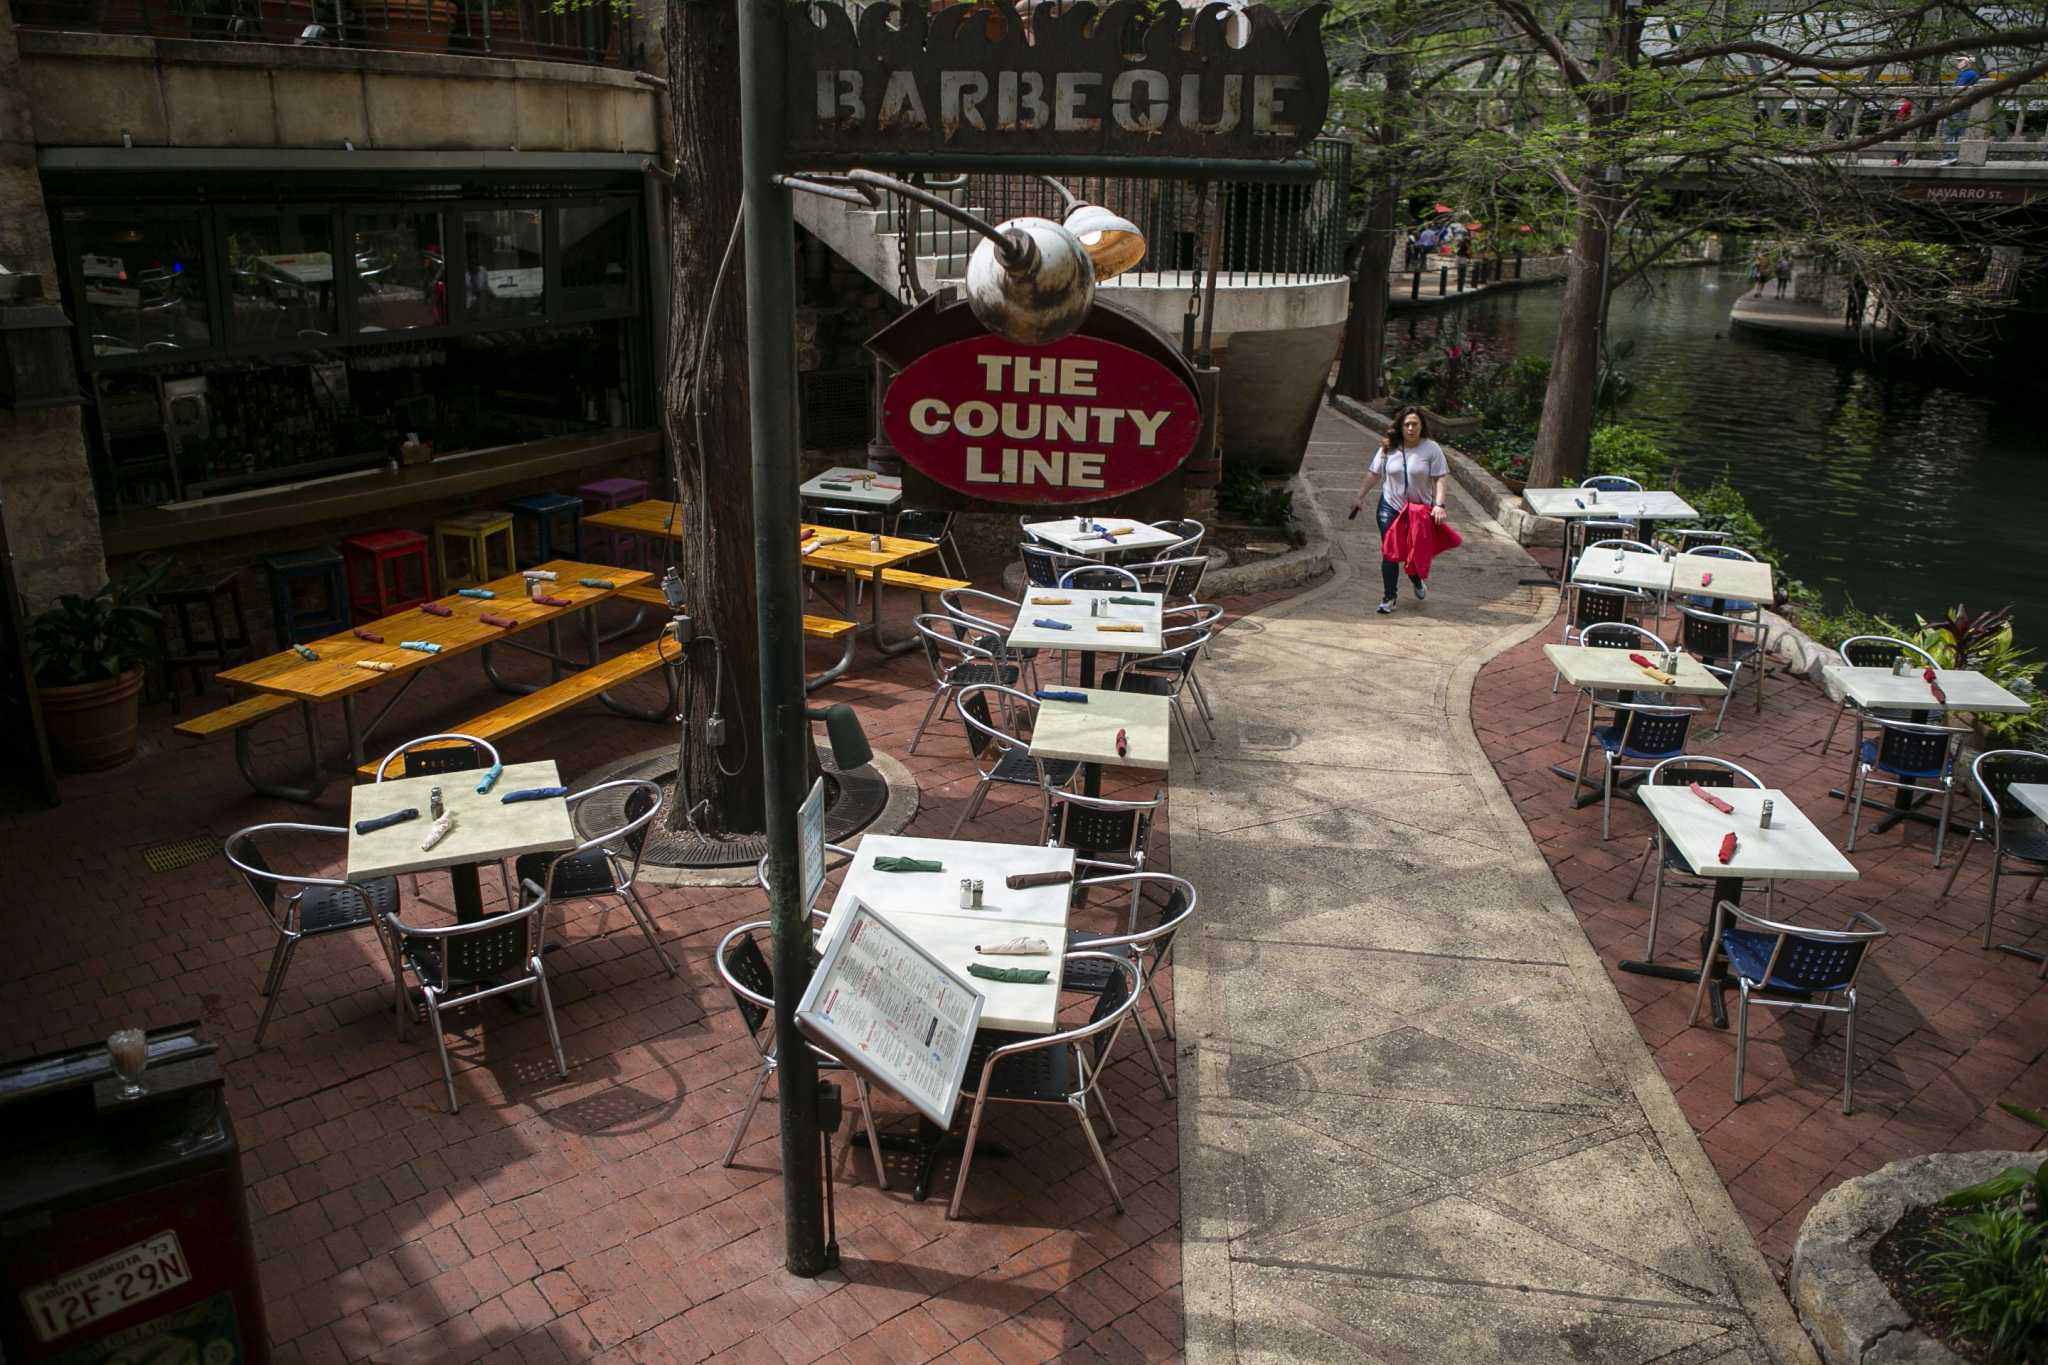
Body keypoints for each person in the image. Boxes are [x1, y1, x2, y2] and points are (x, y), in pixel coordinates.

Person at [1349, 406, 1450, 614]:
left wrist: (1439, 505)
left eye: (1415, 424)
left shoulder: (1431, 449)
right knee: (1390, 551)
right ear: (1400, 427)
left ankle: (1417, 581)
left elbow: (1440, 477)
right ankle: (1389, 597)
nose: (1411, 428)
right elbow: (1373, 474)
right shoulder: (1388, 448)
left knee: (1410, 553)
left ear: (1422, 427)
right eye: (1407, 424)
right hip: (1390, 506)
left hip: (1418, 510)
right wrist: (1359, 497)